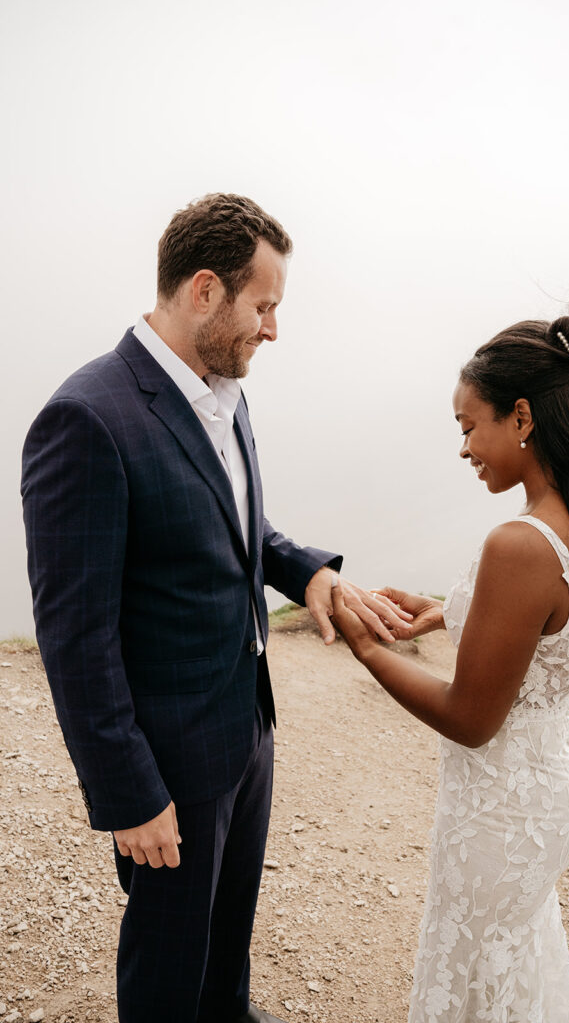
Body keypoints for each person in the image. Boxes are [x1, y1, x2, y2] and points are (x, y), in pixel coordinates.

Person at [21, 193, 410, 1023]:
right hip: (166, 764)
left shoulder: (222, 393)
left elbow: (240, 529)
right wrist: (130, 796)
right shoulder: (88, 417)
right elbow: (74, 638)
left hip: (246, 730)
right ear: (205, 290)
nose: (273, 329)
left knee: (225, 939)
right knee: (167, 961)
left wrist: (310, 574)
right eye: (263, 306)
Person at [331, 308, 569, 1022]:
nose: (463, 448)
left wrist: (366, 645)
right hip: (546, 781)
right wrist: (443, 610)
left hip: (505, 807)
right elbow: (541, 625)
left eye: (468, 426)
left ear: (521, 416)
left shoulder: (517, 542)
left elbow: (470, 717)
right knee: (509, 961)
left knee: (476, 971)